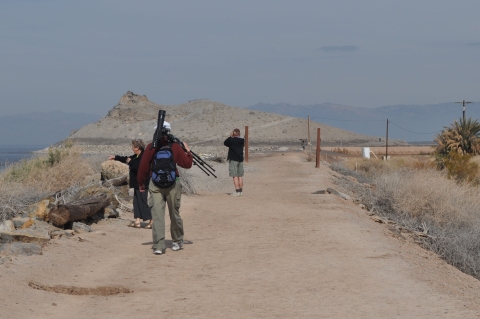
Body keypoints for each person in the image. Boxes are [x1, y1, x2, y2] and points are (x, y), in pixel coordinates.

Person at [137, 122, 193, 255]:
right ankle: (177, 241)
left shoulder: (151, 147)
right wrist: (188, 151)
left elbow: (143, 166)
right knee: (174, 213)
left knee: (157, 215)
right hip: (173, 184)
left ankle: (158, 245)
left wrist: (140, 184)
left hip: (155, 184)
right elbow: (187, 164)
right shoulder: (175, 146)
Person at [109, 139, 152, 229]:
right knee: (136, 201)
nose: (132, 148)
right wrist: (116, 157)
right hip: (136, 183)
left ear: (137, 148)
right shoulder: (137, 155)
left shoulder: (144, 156)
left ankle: (152, 221)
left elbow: (138, 167)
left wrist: (130, 162)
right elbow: (127, 158)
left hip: (142, 183)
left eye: (133, 147)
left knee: (142, 202)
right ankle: (137, 221)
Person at [224, 128, 245, 196]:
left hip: (234, 159)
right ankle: (241, 191)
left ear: (234, 133)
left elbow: (225, 143)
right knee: (240, 175)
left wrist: (230, 136)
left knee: (234, 175)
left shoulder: (232, 140)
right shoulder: (242, 140)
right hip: (240, 159)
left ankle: (237, 191)